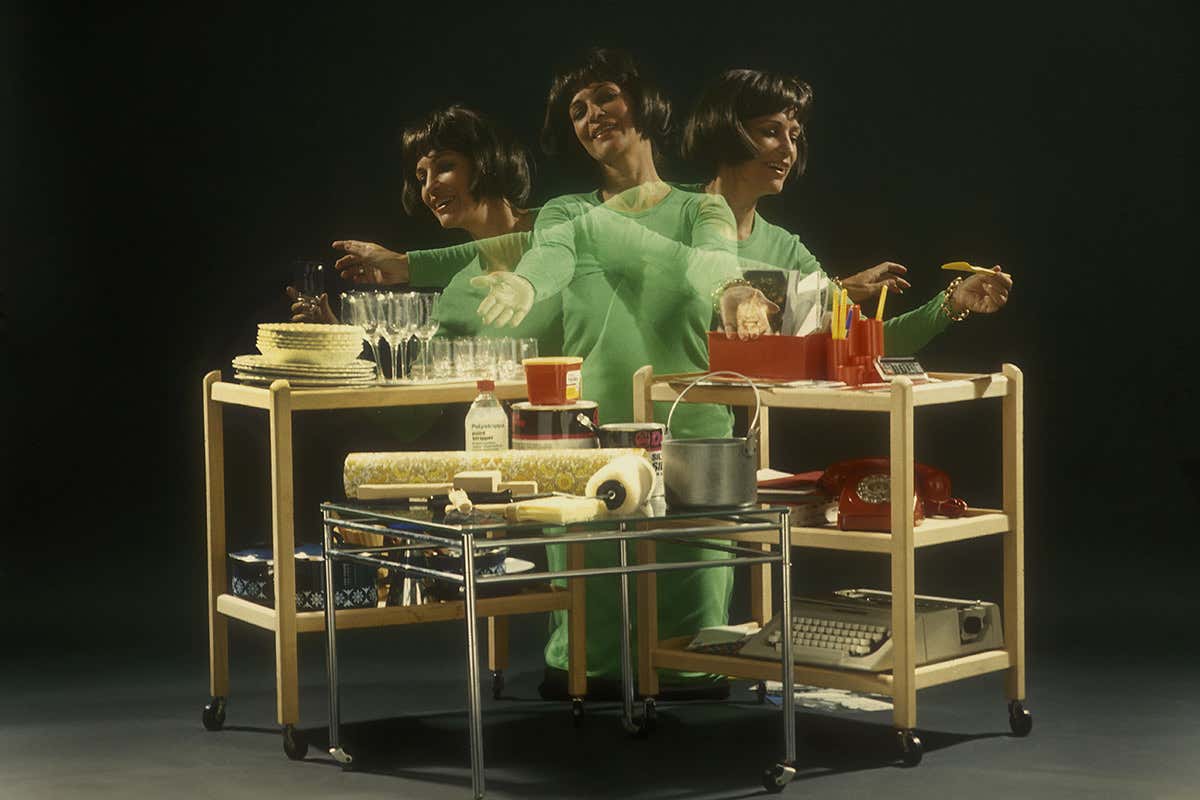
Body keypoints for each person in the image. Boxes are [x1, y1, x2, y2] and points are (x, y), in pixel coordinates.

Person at [473, 48, 769, 700]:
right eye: (577, 110)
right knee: (591, 605)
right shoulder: (566, 213)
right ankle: (589, 676)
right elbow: (551, 255)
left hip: (688, 432)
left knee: (687, 610)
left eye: (604, 97)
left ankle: (688, 678)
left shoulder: (702, 209)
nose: (591, 115)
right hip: (586, 434)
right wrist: (526, 285)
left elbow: (713, 262)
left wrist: (733, 293)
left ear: (643, 104)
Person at [682, 69, 1012, 348]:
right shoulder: (666, 209)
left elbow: (865, 344)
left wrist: (951, 303)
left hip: (735, 410)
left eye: (794, 137)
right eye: (771, 132)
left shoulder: (787, 251)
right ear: (727, 131)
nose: (788, 149)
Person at [291, 105, 562, 355]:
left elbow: (540, 249)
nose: (430, 187)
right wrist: (337, 341)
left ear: (485, 162)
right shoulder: (459, 289)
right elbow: (422, 381)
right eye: (421, 177)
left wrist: (405, 265)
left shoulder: (559, 219)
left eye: (445, 166)